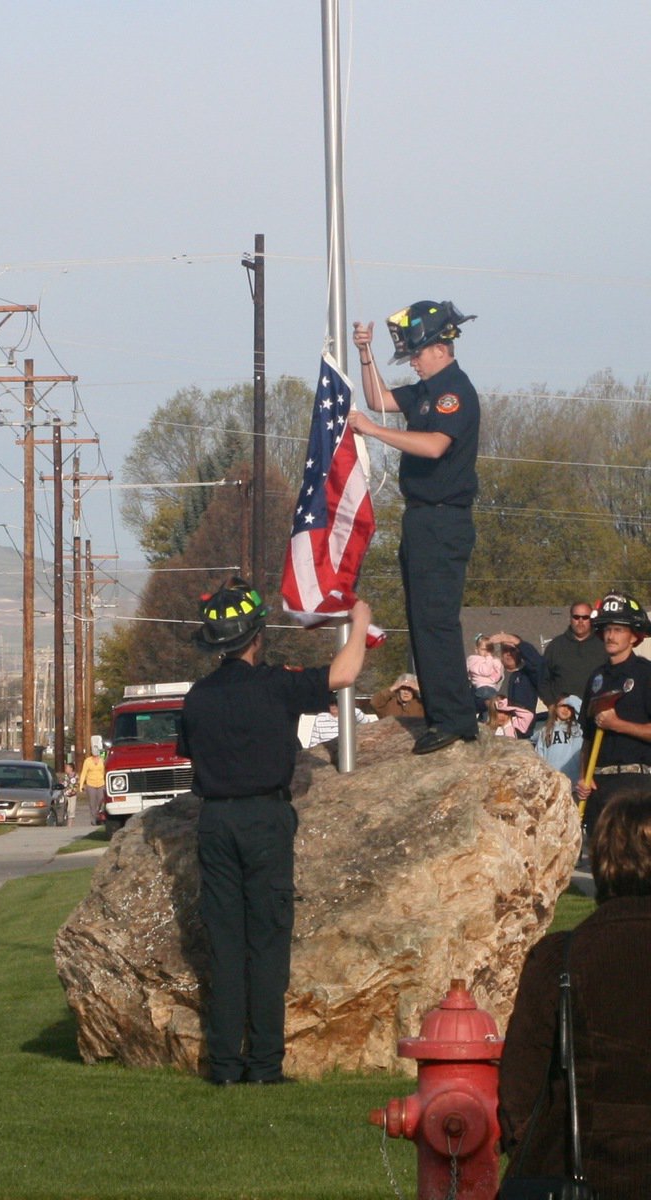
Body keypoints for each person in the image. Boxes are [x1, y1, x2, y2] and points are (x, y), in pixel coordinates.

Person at [178, 578, 371, 1085]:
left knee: (225, 944)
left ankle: (223, 1066)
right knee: (266, 943)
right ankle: (263, 1066)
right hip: (265, 819)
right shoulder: (276, 685)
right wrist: (361, 620)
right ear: (257, 636)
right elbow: (345, 672)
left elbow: (189, 754)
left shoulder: (196, 697)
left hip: (215, 820)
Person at [498, 790, 651, 1196]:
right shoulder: (557, 959)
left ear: (603, 863)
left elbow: (519, 1090)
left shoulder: (560, 958)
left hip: (575, 1169)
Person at [350, 301, 479, 755]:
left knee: (437, 621)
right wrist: (365, 355)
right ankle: (443, 713)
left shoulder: (453, 392)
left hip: (445, 518)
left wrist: (373, 432)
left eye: (418, 354)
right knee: (422, 621)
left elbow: (434, 445)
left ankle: (456, 719)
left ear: (441, 348)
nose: (413, 362)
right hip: (421, 518)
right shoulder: (425, 390)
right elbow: (379, 400)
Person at [575, 591, 651, 836]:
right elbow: (587, 737)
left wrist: (618, 724)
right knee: (602, 862)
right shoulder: (596, 677)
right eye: (607, 629)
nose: (610, 635)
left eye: (619, 629)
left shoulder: (646, 674)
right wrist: (584, 777)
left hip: (636, 786)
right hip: (600, 787)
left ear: (633, 636)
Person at [539, 601, 604, 706]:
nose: (580, 621)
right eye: (576, 617)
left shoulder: (603, 644)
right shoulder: (556, 646)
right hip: (564, 715)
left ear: (591, 619)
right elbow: (542, 680)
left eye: (585, 617)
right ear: (570, 618)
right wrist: (551, 704)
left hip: (595, 712)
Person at [490, 631, 543, 735]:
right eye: (505, 650)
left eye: (513, 650)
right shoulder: (492, 674)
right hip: (493, 734)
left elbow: (538, 664)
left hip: (521, 734)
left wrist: (516, 642)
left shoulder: (527, 674)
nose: (509, 654)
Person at [533, 695, 583, 789]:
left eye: (570, 707)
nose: (566, 710)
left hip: (574, 783)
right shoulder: (545, 731)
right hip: (553, 784)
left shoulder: (578, 728)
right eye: (563, 706)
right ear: (555, 707)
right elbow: (539, 757)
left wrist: (570, 699)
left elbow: (583, 711)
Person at [466, 634, 503, 718]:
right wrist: (490, 658)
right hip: (482, 688)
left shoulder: (490, 660)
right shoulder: (474, 659)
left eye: (489, 650)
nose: (486, 652)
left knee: (488, 712)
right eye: (483, 649)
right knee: (486, 706)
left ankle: (483, 724)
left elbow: (497, 676)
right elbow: (485, 671)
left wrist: (496, 662)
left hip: (492, 689)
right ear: (476, 650)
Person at [308, 700, 374, 747]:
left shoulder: (354, 714)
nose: (334, 706)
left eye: (337, 703)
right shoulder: (320, 718)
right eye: (331, 703)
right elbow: (313, 742)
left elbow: (369, 727)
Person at [78, 747, 106, 825]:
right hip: (91, 784)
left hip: (101, 784)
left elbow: (105, 772)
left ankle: (100, 817)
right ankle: (93, 819)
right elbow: (84, 773)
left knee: (101, 802)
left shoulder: (102, 760)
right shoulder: (87, 761)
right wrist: (81, 785)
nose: (95, 754)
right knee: (92, 803)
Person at [60, 762, 79, 827]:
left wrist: (73, 791)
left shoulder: (75, 776)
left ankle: (70, 823)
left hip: (73, 795)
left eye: (67, 768)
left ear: (71, 768)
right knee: (67, 809)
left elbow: (76, 785)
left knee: (72, 808)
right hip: (66, 795)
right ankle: (66, 821)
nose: (66, 769)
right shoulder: (65, 776)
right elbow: (63, 784)